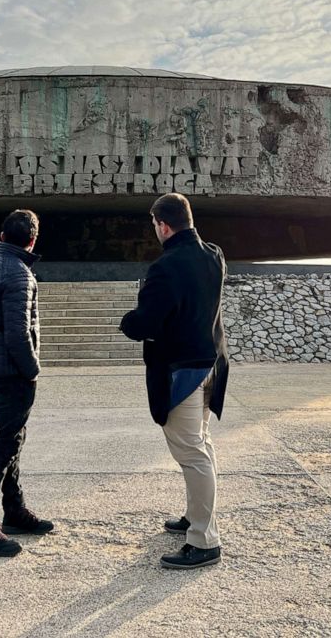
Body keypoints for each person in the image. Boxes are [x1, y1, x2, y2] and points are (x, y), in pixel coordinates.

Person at [119, 193, 229, 570]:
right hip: (211, 364)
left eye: (154, 225)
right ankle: (195, 516)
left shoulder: (166, 267)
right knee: (202, 445)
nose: (155, 231)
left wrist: (127, 321)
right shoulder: (214, 254)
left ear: (163, 225)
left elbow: (145, 323)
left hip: (182, 372)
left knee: (192, 454)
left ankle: (204, 540)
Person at [0, 209, 54, 557]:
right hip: (13, 372)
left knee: (13, 437)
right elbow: (19, 333)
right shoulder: (20, 275)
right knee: (5, 444)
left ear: (3, 235)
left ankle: (14, 511)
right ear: (32, 240)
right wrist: (32, 368)